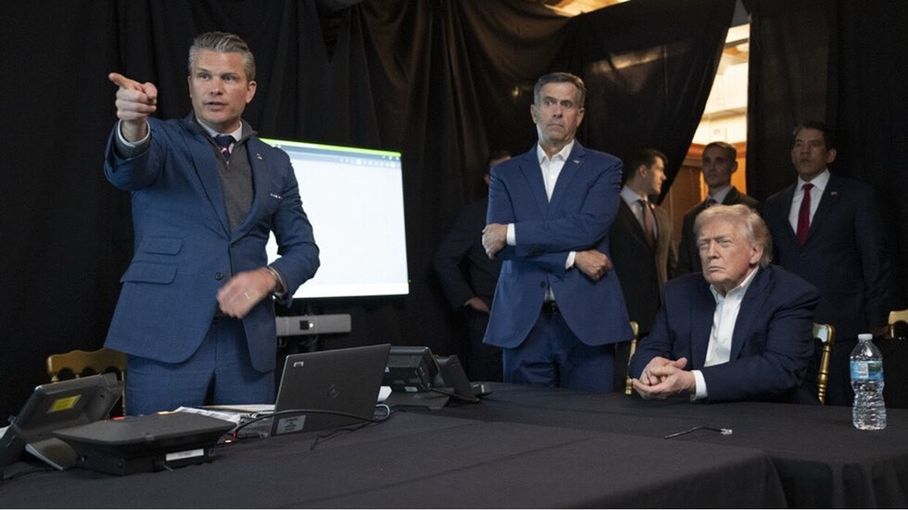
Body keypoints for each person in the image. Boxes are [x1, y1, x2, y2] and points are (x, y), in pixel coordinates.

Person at [103, 32, 320, 415]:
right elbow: (128, 170)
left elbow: (304, 250)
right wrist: (133, 124)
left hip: (246, 345)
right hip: (166, 337)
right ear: (190, 85)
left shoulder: (276, 162)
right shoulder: (161, 139)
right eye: (204, 76)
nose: (214, 88)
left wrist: (269, 277)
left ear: (249, 90)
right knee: (159, 449)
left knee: (251, 451)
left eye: (228, 78)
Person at [482, 72, 631, 392]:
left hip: (589, 320)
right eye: (549, 102)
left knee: (593, 420)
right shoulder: (505, 174)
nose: (558, 112)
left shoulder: (605, 167)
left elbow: (587, 228)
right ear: (534, 111)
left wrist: (512, 232)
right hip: (524, 323)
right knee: (525, 420)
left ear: (580, 115)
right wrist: (572, 257)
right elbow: (500, 247)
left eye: (567, 104)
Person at [629, 204, 820, 403]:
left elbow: (780, 368)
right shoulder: (679, 292)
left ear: (755, 251)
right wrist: (651, 369)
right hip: (689, 411)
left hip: (767, 411)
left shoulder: (789, 293)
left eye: (724, 242)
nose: (711, 253)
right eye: (704, 244)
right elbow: (648, 350)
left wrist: (693, 381)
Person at [762, 121, 891, 406]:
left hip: (846, 323)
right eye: (798, 145)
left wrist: (877, 316)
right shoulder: (774, 203)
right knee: (796, 407)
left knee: (842, 406)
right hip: (792, 325)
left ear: (830, 154)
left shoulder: (857, 195)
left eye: (814, 144)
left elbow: (874, 257)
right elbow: (771, 264)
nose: (804, 151)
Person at [433, 150, 510, 382]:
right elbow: (444, 259)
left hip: (532, 318)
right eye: (500, 173)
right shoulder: (475, 214)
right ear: (488, 179)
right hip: (490, 317)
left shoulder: (533, 212)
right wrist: (468, 298)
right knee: (490, 385)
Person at [610, 147, 676, 335]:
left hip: (661, 316)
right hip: (623, 315)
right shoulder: (609, 210)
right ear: (643, 171)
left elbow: (671, 264)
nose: (664, 177)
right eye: (660, 170)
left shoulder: (661, 214)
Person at [676, 141, 758, 276]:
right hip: (698, 287)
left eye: (719, 161)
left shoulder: (750, 208)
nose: (712, 167)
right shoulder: (691, 216)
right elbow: (684, 266)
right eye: (707, 161)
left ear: (733, 166)